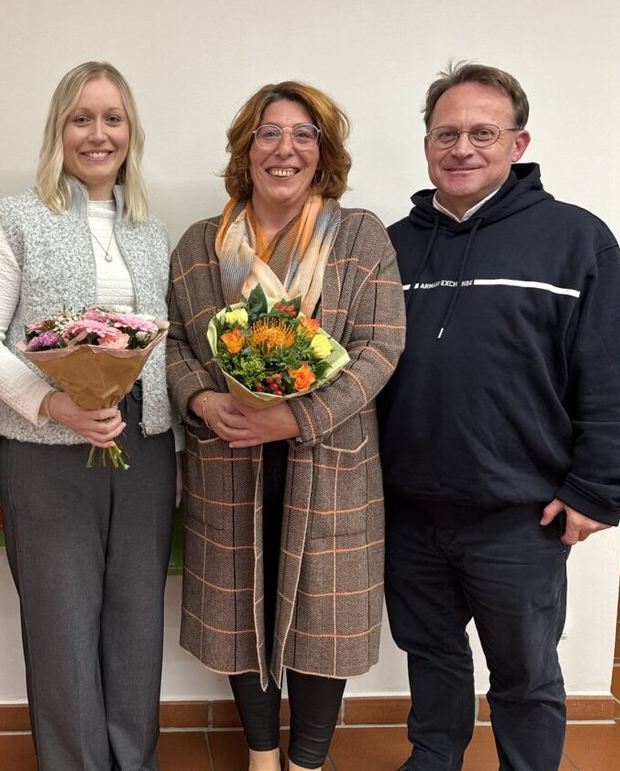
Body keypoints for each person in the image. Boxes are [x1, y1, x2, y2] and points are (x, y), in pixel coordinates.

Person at [378, 62, 620, 771]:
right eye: (447, 133)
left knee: (525, 676)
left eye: (483, 132)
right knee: (431, 655)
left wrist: (598, 488)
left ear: (518, 143)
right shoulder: (391, 246)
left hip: (520, 516)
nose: (462, 148)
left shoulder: (574, 238)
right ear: (426, 145)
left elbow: (616, 375)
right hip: (408, 509)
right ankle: (432, 758)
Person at [165, 81, 405, 771]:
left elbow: (381, 347)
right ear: (247, 147)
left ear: (323, 151)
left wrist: (297, 416)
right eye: (269, 133)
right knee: (242, 609)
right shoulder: (199, 246)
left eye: (305, 134)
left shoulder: (360, 238)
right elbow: (177, 345)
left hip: (329, 461)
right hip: (229, 457)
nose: (285, 148)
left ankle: (308, 760)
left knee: (323, 618)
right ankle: (262, 755)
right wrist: (204, 404)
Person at [0, 61, 176, 771]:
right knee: (61, 626)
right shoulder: (16, 219)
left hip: (142, 444)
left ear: (130, 131)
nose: (97, 133)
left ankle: (131, 760)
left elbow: (159, 346)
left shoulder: (150, 229)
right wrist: (53, 404)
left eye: (112, 118)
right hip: (44, 450)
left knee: (137, 621)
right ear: (59, 129)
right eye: (81, 118)